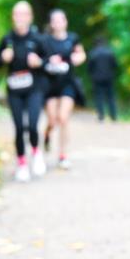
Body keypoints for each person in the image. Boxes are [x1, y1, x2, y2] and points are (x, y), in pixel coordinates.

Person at [0, 1, 49, 182]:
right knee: (18, 127)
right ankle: (22, 164)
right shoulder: (7, 39)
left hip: (34, 89)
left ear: (30, 17)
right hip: (14, 90)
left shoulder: (38, 39)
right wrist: (3, 58)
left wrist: (39, 62)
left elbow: (49, 61)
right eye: (16, 14)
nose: (20, 18)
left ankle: (36, 152)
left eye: (24, 14)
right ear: (13, 17)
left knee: (33, 125)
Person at [41, 9, 86, 170]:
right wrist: (48, 61)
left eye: (61, 20)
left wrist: (76, 59)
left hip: (68, 84)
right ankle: (46, 135)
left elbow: (81, 54)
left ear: (65, 22)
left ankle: (62, 155)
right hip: (50, 85)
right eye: (55, 20)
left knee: (63, 118)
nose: (58, 23)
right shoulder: (45, 41)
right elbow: (39, 59)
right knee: (52, 120)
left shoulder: (73, 38)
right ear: (51, 24)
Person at [87, 38, 119, 122]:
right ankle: (113, 116)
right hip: (109, 77)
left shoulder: (93, 53)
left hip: (97, 78)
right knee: (111, 97)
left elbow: (89, 67)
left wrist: (92, 75)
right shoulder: (110, 52)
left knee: (99, 97)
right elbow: (115, 65)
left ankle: (101, 116)